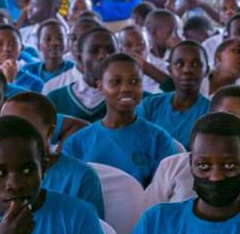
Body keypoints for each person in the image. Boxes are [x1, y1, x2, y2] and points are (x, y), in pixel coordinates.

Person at [62, 53, 180, 186]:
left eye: (134, 81)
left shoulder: (159, 139)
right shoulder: (76, 143)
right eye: (116, 82)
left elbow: (165, 192)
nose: (126, 88)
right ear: (100, 87)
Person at [1, 91, 104, 216]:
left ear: (50, 131)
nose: (12, 135)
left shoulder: (82, 177)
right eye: (4, 126)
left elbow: (90, 228)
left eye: (24, 127)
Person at [136, 41, 211, 148]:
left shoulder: (211, 112)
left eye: (195, 64)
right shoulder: (149, 106)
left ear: (206, 70)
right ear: (170, 69)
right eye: (180, 64)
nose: (187, 70)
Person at [46, 27, 116, 123]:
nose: (103, 56)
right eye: (95, 50)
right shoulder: (56, 99)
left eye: (111, 50)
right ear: (80, 59)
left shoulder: (130, 97)